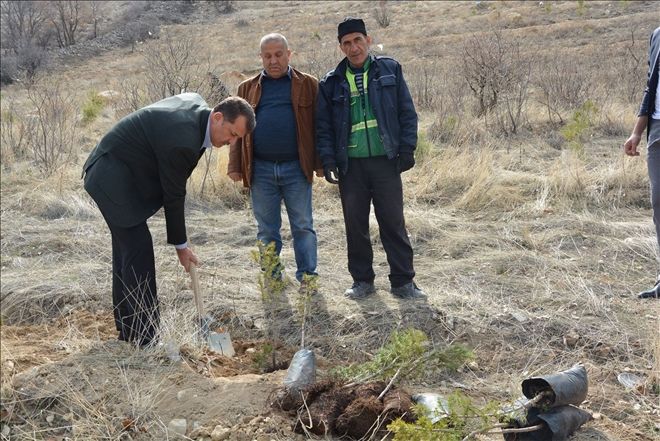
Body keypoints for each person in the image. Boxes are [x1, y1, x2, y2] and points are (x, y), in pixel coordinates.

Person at [82, 93, 256, 347]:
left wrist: (180, 244)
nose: (231, 142)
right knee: (137, 249)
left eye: (237, 139)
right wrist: (181, 246)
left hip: (117, 171)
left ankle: (129, 330)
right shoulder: (183, 141)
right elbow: (174, 195)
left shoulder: (198, 110)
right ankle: (146, 338)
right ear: (217, 117)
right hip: (110, 178)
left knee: (127, 251)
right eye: (232, 134)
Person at [316, 17, 424, 300]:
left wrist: (407, 149)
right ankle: (362, 282)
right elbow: (324, 127)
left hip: (385, 162)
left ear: (368, 40)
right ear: (340, 47)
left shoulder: (390, 69)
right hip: (351, 166)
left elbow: (407, 113)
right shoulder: (331, 82)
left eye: (357, 40)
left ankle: (403, 283)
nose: (353, 48)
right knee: (356, 226)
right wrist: (328, 161)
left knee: (393, 223)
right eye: (347, 43)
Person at [228, 33, 322, 290]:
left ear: (289, 54)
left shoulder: (309, 84)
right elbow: (235, 130)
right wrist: (235, 166)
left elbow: (320, 125)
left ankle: (308, 279)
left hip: (296, 168)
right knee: (266, 229)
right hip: (261, 170)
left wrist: (322, 163)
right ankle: (272, 279)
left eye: (278, 54)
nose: (273, 60)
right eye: (267, 56)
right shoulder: (246, 88)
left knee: (303, 225)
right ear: (261, 57)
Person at [624, 26, 660, 299]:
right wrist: (637, 131)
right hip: (658, 128)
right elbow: (651, 83)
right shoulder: (656, 35)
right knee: (659, 201)